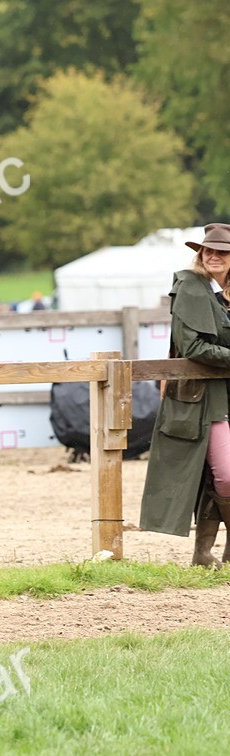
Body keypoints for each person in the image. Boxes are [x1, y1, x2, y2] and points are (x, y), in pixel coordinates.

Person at [140, 223, 230, 565]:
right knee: (226, 474)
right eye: (209, 250)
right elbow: (193, 347)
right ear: (200, 253)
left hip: (226, 392)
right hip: (201, 398)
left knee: (218, 475)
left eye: (222, 251)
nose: (214, 256)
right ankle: (205, 552)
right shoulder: (191, 287)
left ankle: (205, 555)